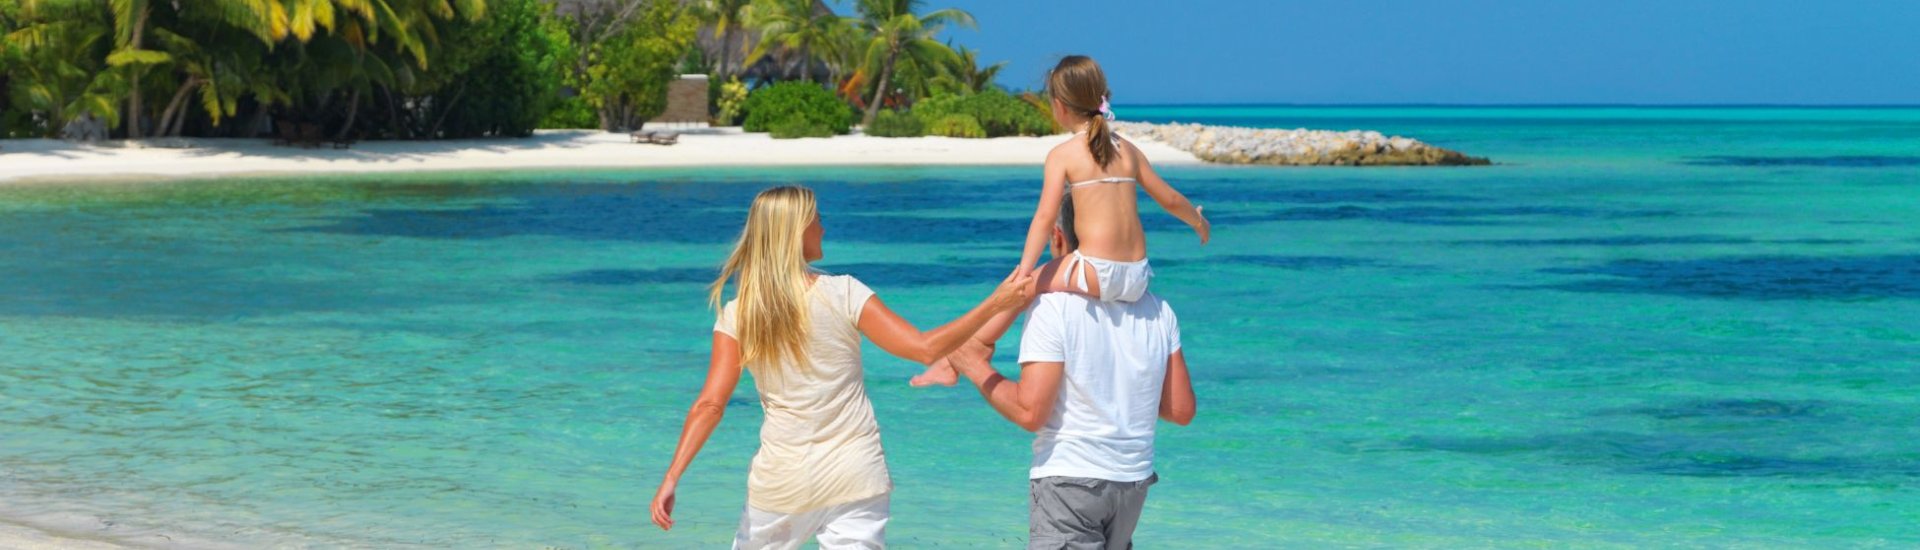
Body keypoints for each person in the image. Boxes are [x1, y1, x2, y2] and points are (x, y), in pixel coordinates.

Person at [649, 186, 1034, 549]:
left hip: (783, 479)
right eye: (817, 219)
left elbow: (710, 405)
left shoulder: (739, 315)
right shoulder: (845, 292)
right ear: (796, 232)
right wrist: (995, 303)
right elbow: (924, 349)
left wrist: (671, 477)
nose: (823, 227)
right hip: (856, 475)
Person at [914, 54, 1209, 386]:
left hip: (1096, 272)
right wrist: (1199, 222)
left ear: (1059, 106)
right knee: (1034, 280)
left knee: (1024, 287)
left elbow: (1044, 218)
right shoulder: (1127, 149)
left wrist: (1024, 273)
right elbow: (1170, 199)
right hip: (1139, 276)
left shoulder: (1063, 154)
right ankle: (957, 357)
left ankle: (972, 351)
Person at [934, 196, 1197, 549]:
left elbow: (1030, 412)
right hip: (1132, 483)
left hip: (1070, 480)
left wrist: (974, 365)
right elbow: (1180, 410)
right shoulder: (1158, 309)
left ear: (1057, 237)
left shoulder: (1052, 307)